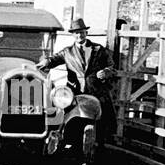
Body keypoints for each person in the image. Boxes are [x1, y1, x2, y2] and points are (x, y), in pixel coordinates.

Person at [39, 16, 117, 144]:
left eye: (81, 32)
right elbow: (54, 60)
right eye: (76, 33)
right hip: (75, 91)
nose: (79, 35)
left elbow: (113, 68)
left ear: (86, 33)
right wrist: (46, 61)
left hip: (95, 91)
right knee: (66, 114)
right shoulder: (67, 52)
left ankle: (102, 143)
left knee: (104, 116)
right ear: (73, 35)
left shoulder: (99, 50)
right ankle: (61, 140)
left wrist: (106, 72)